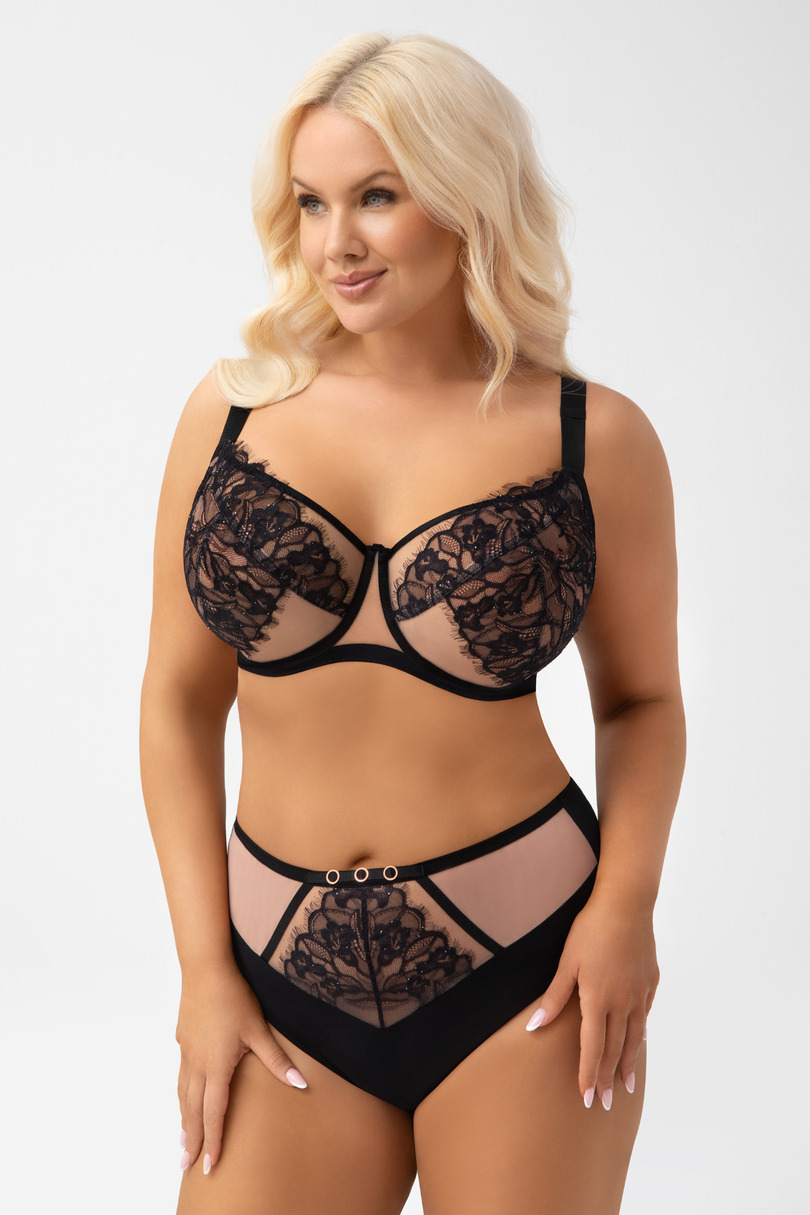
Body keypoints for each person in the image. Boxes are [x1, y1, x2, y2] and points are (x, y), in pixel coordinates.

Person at [140, 30, 686, 1215]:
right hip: (275, 976)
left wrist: (624, 911)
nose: (335, 241)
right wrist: (201, 971)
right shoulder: (230, 415)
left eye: (377, 197)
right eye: (312, 202)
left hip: (533, 970)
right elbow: (177, 703)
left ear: (468, 194)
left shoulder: (595, 437)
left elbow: (642, 703)